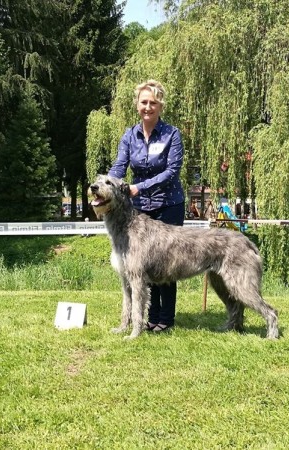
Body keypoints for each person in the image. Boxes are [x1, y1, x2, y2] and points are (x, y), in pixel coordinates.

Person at [108, 79, 185, 333]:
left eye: (153, 102)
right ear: (137, 105)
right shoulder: (130, 136)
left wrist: (140, 186)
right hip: (139, 208)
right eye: (144, 102)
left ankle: (165, 318)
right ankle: (148, 318)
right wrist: (107, 183)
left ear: (160, 106)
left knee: (167, 262)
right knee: (141, 265)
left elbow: (171, 172)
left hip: (168, 204)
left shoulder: (171, 134)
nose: (148, 107)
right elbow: (120, 166)